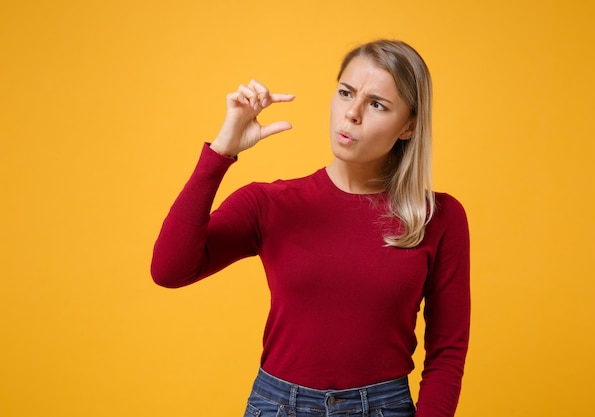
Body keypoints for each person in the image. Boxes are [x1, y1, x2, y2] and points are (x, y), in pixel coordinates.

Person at [151, 39, 470, 417]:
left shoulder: (439, 217)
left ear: (409, 126)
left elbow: (447, 350)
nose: (352, 113)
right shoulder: (270, 204)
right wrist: (222, 150)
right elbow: (169, 270)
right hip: (278, 407)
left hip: (386, 408)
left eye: (377, 104)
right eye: (346, 93)